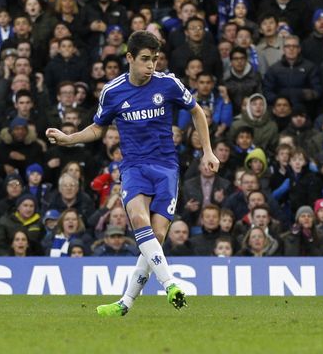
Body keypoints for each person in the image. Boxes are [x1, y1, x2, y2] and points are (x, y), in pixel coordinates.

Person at [47, 31, 219, 315]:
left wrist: (209, 151)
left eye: (155, 59)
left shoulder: (168, 84)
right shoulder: (113, 92)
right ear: (129, 58)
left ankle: (125, 303)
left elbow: (197, 111)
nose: (151, 65)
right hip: (134, 167)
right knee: (139, 219)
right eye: (145, 59)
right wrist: (69, 138)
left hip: (165, 168)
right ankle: (170, 284)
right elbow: (98, 129)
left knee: (157, 237)